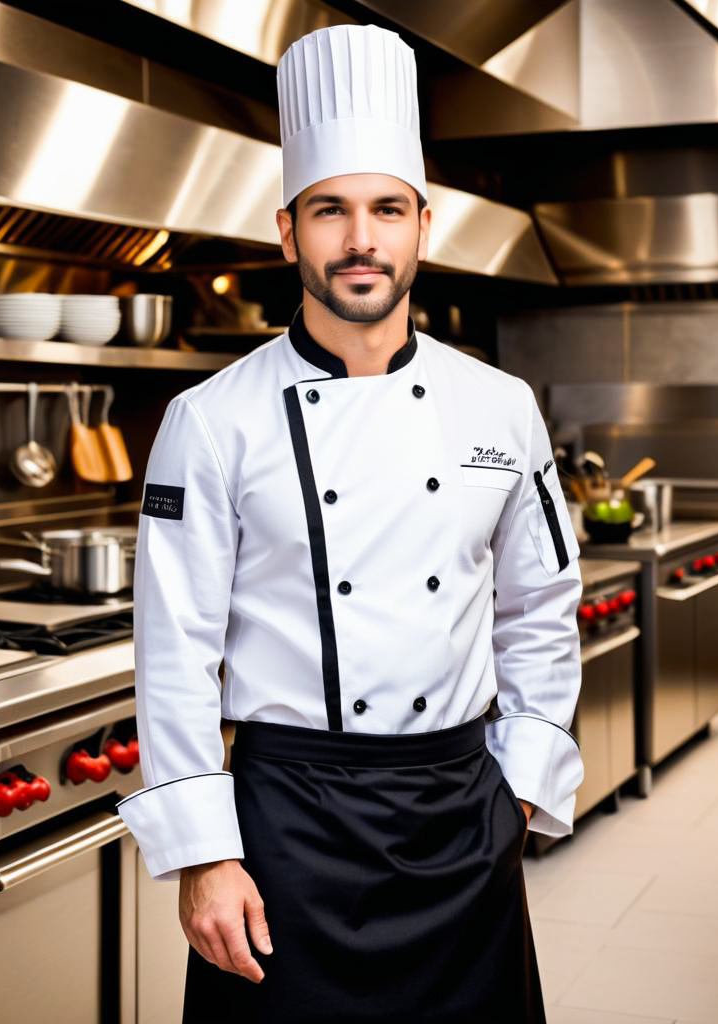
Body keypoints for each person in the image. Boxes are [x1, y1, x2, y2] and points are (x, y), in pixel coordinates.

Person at [117, 23, 584, 1024]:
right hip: (288, 821)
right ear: (289, 233)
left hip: (461, 808)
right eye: (329, 211)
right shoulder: (210, 420)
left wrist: (524, 785)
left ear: (423, 224)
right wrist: (204, 853)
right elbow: (173, 652)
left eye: (384, 209)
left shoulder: (501, 406)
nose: (359, 239)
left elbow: (541, 605)